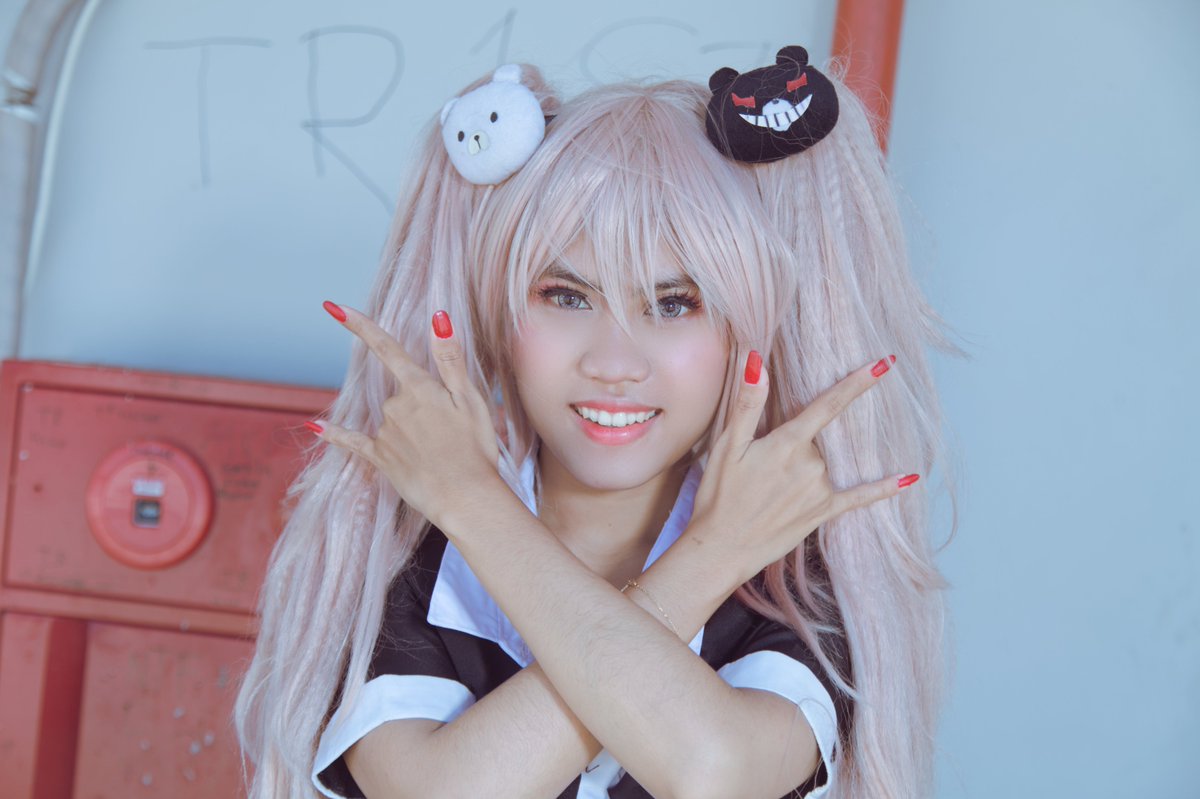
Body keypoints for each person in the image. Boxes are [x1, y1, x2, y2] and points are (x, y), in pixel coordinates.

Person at [235, 47, 948, 799]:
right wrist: (474, 506)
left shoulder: (793, 587)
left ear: (747, 332)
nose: (614, 362)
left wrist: (473, 500)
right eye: (567, 297)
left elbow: (712, 772)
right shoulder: (407, 560)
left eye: (674, 304)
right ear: (497, 312)